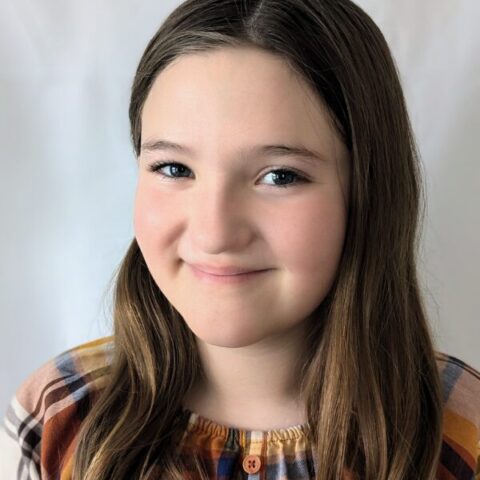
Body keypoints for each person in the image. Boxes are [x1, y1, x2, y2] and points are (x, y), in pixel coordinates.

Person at [1, 0, 479, 479]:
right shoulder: (56, 419)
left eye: (280, 176)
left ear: (367, 190)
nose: (214, 233)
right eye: (174, 168)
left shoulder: (463, 433)